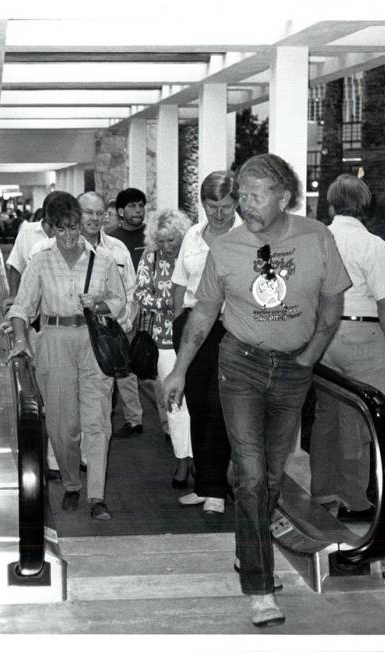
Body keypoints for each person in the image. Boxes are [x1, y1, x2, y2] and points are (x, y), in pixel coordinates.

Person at [162, 153, 351, 627]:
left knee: (268, 476)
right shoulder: (226, 248)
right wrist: (179, 368)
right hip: (240, 365)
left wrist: (309, 357)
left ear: (284, 197)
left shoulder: (317, 238)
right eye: (240, 193)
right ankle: (260, 587)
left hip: (293, 371)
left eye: (254, 194)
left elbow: (332, 307)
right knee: (249, 474)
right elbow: (203, 313)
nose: (244, 203)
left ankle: (250, 551)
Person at [7, 192, 126, 521]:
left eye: (75, 228)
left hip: (93, 341)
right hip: (54, 341)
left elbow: (119, 301)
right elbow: (21, 306)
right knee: (63, 426)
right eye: (63, 229)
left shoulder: (101, 259)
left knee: (98, 421)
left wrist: (99, 304)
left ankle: (97, 496)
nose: (71, 235)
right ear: (50, 229)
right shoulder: (41, 261)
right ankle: (72, 482)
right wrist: (21, 339)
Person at [310, 174, 385, 519]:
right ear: (364, 207)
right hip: (363, 336)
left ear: (332, 204)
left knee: (326, 418)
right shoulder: (374, 246)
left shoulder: (316, 240)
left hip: (324, 338)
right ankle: (354, 501)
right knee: (358, 420)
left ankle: (322, 493)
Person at [170, 171, 244, 514]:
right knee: (197, 406)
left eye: (225, 206)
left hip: (230, 328)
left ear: (237, 202)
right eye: (211, 205)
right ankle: (204, 484)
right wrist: (177, 325)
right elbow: (178, 283)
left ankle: (217, 487)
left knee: (220, 407)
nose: (218, 213)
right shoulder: (193, 236)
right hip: (192, 327)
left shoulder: (248, 237)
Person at [134, 209, 193, 487]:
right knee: (174, 403)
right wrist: (170, 304)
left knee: (200, 403)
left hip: (196, 336)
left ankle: (201, 460)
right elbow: (141, 293)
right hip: (164, 339)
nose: (167, 247)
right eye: (162, 241)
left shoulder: (193, 256)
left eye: (172, 241)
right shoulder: (150, 257)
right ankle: (183, 460)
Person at [107, 187, 149, 439]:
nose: (138, 211)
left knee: (151, 370)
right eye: (133, 206)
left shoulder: (153, 237)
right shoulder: (111, 240)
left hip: (152, 312)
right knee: (123, 368)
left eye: (141, 206)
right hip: (122, 314)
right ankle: (133, 420)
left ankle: (169, 427)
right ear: (121, 211)